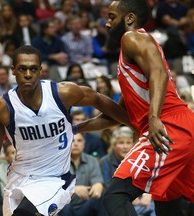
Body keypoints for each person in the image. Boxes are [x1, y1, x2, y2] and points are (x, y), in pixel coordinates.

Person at [0, 45, 130, 216]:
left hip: (55, 178)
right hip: (19, 178)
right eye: (22, 69)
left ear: (41, 70)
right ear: (13, 71)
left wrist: (134, 123)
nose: (28, 74)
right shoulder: (1, 107)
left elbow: (102, 104)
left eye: (33, 68)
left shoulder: (64, 93)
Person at [76, 1, 194, 215]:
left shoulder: (132, 37)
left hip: (168, 125)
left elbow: (159, 73)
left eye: (112, 17)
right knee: (167, 203)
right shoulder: (131, 59)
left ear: (129, 18)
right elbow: (116, 116)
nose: (107, 23)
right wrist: (76, 128)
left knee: (115, 196)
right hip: (181, 126)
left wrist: (154, 117)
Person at [100, 126, 156, 216]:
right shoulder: (105, 161)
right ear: (114, 145)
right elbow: (107, 186)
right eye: (121, 143)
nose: (125, 147)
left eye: (128, 143)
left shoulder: (142, 158)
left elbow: (151, 180)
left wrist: (149, 195)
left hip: (144, 201)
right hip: (120, 200)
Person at [59, 133, 106, 216]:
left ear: (84, 144)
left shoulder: (92, 160)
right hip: (65, 206)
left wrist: (98, 185)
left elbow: (97, 181)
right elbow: (53, 187)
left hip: (85, 205)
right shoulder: (58, 162)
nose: (76, 144)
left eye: (79, 140)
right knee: (65, 207)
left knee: (102, 196)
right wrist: (73, 189)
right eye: (72, 140)